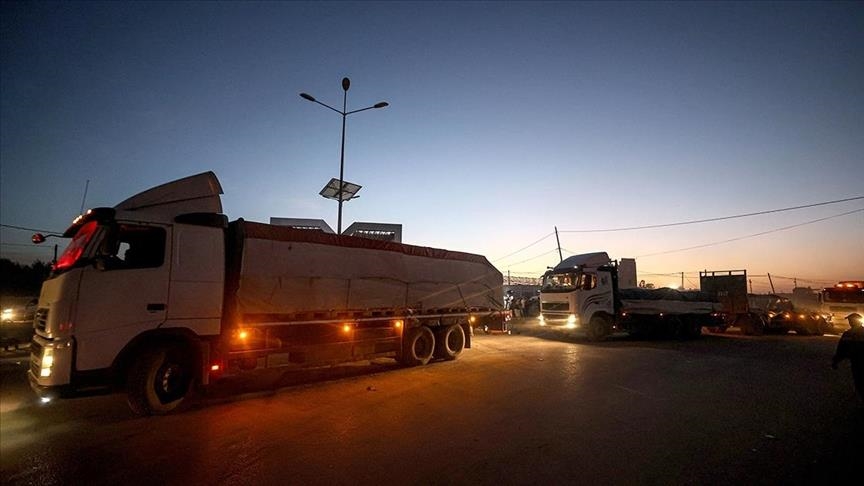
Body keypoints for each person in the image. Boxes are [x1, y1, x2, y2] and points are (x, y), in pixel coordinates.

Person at [832, 313, 864, 400]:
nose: (850, 322)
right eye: (849, 321)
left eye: (851, 321)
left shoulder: (848, 334)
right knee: (859, 381)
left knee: (859, 381)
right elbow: (842, 349)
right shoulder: (848, 334)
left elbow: (841, 350)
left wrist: (836, 361)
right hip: (856, 362)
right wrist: (836, 360)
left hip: (857, 362)